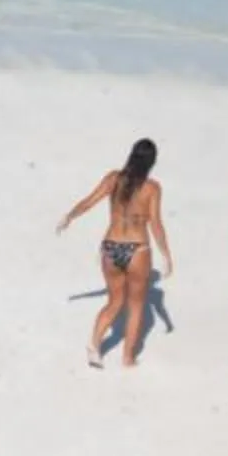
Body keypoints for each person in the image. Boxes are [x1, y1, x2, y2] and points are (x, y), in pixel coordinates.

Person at [59, 137, 172, 369]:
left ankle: (94, 346)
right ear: (152, 162)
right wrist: (166, 254)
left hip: (110, 248)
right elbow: (156, 224)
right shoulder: (152, 188)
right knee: (136, 305)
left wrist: (70, 216)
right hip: (137, 249)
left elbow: (89, 202)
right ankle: (128, 359)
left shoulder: (114, 179)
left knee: (114, 302)